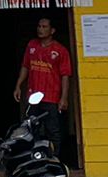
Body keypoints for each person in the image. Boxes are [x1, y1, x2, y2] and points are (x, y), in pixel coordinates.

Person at [14, 16, 73, 154]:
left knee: (53, 130)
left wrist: (64, 98)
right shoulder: (32, 45)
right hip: (33, 97)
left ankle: (54, 158)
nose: (40, 29)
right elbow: (25, 66)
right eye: (39, 26)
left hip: (51, 97)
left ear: (52, 30)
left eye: (44, 27)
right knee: (31, 129)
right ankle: (34, 158)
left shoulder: (60, 50)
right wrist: (18, 85)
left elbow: (65, 75)